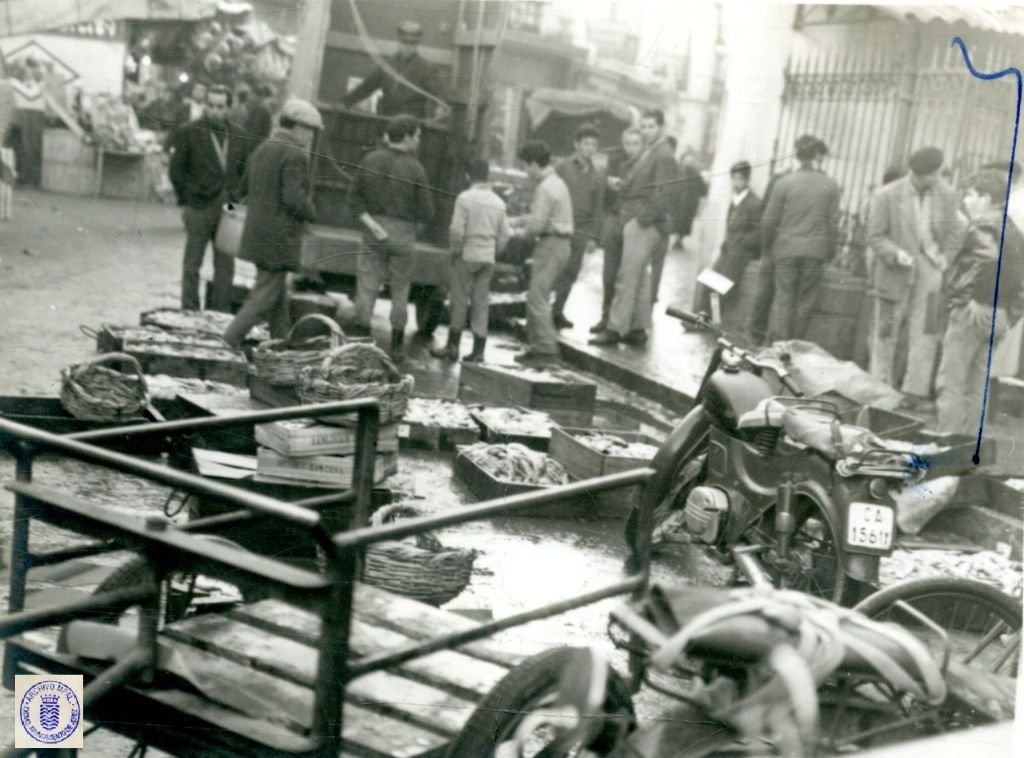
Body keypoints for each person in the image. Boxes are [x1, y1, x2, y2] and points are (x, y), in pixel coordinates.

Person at [867, 146, 965, 407]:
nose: (938, 178)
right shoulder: (886, 195)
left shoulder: (947, 193)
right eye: (935, 174)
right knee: (886, 331)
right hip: (894, 272)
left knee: (927, 331)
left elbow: (957, 231)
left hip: (932, 272)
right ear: (920, 174)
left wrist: (946, 259)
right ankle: (880, 388)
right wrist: (894, 253)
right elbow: (875, 236)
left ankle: (915, 392)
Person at [223, 100, 323, 347]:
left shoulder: (263, 148)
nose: (311, 136)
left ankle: (283, 347)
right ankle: (228, 341)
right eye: (310, 130)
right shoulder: (295, 155)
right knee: (263, 298)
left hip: (257, 235)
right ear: (298, 127)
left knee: (277, 299)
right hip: (277, 239)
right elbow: (293, 198)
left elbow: (243, 189)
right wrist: (312, 212)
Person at [935, 168, 1024, 433]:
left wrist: (978, 299)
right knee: (977, 386)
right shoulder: (1014, 230)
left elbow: (987, 260)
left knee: (952, 382)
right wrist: (1010, 313)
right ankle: (968, 448)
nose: (965, 201)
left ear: (985, 198)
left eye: (971, 195)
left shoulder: (984, 224)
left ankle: (945, 445)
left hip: (972, 312)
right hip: (999, 316)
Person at [349, 114, 435, 358]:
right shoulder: (416, 168)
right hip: (404, 234)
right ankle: (396, 348)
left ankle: (360, 345)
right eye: (417, 136)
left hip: (373, 230)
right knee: (401, 291)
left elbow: (353, 200)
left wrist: (373, 225)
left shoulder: (370, 159)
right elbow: (428, 211)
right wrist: (411, 230)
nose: (418, 141)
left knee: (367, 286)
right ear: (406, 136)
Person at [590, 109, 678, 347]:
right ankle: (638, 329)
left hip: (644, 224)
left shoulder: (663, 154)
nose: (647, 131)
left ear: (661, 127)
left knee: (626, 277)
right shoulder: (654, 151)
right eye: (645, 126)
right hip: (639, 221)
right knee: (638, 279)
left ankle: (614, 329)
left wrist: (640, 221)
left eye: (651, 126)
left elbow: (663, 193)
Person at [168, 84, 251, 312]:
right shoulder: (189, 132)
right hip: (199, 206)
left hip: (230, 209)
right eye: (211, 106)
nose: (215, 111)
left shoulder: (240, 136)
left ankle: (219, 313)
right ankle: (190, 310)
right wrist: (186, 200)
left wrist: (239, 197)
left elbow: (246, 171)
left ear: (229, 108)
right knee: (192, 264)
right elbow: (176, 171)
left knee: (225, 266)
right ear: (205, 106)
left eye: (220, 106)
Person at [760, 134, 841, 343]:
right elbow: (833, 224)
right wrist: (830, 252)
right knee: (805, 301)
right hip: (815, 252)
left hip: (785, 250)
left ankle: (779, 345)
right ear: (816, 156)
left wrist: (766, 249)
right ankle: (795, 348)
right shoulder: (830, 185)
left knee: (784, 298)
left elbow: (769, 221)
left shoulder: (783, 183)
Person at [431, 158, 512, 363]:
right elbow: (505, 234)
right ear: (487, 176)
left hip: (467, 255)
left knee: (459, 300)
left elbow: (456, 230)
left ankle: (452, 347)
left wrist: (455, 252)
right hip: (487, 257)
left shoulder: (465, 198)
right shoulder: (499, 202)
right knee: (481, 302)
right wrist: (494, 251)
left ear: (468, 176)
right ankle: (478, 351)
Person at [510, 140, 574, 365]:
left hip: (551, 245)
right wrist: (518, 220)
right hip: (559, 243)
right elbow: (543, 219)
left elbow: (537, 226)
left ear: (534, 164)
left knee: (537, 297)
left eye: (526, 166)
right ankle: (538, 347)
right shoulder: (557, 182)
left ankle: (546, 350)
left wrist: (516, 232)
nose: (526, 172)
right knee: (539, 296)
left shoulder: (545, 187)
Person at [551, 123, 604, 329]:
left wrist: (593, 237)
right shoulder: (562, 167)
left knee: (572, 271)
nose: (590, 148)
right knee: (554, 268)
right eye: (586, 143)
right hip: (560, 225)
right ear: (577, 144)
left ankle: (557, 311)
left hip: (582, 228)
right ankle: (541, 313)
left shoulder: (598, 173)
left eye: (594, 144)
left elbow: (599, 207)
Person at [592, 127, 644, 333]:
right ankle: (606, 318)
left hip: (634, 225)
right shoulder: (616, 163)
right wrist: (607, 183)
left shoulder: (645, 167)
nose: (631, 148)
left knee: (630, 278)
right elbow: (599, 191)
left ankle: (629, 325)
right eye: (628, 144)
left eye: (635, 144)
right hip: (614, 220)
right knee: (609, 275)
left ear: (642, 146)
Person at [341, 21, 448, 120]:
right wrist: (345, 103)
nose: (408, 47)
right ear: (399, 41)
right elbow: (366, 87)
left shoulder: (427, 69)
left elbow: (439, 94)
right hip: (384, 123)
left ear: (417, 44)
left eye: (412, 43)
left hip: (409, 128)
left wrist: (440, 107)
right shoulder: (387, 65)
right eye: (404, 42)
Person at [694, 161, 762, 316]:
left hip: (742, 253)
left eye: (739, 179)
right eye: (734, 178)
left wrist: (741, 241)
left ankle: (711, 319)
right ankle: (701, 316)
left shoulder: (755, 203)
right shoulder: (735, 200)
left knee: (721, 285)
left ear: (747, 180)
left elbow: (759, 234)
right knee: (710, 280)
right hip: (729, 250)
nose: (736, 183)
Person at [672, 151, 709, 250]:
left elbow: (703, 190)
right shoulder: (680, 172)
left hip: (688, 202)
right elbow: (704, 190)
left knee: (682, 222)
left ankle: (678, 240)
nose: (687, 164)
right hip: (683, 201)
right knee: (682, 222)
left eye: (690, 162)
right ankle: (678, 240)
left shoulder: (693, 175)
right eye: (686, 161)